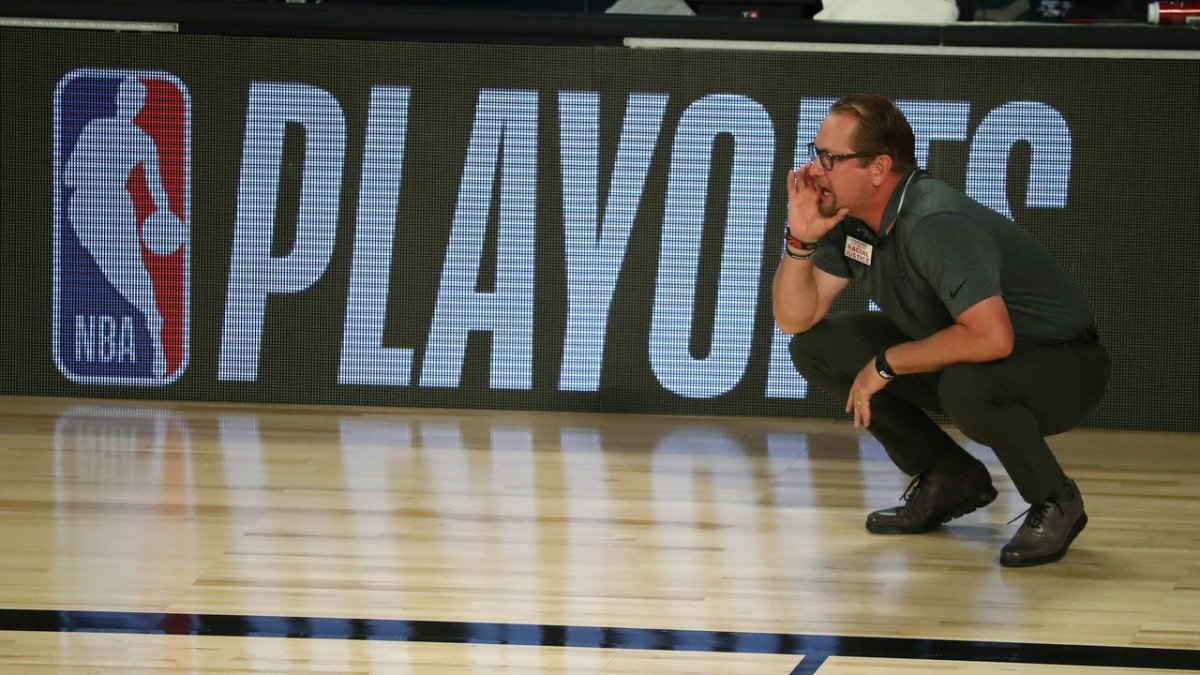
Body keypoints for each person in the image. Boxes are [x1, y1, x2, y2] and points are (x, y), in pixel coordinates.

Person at [772, 93, 1110, 567]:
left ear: (878, 167)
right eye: (816, 152)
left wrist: (886, 364)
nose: (816, 169)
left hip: (1061, 363)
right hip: (976, 351)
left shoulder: (933, 221)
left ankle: (1056, 500)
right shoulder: (851, 224)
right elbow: (794, 318)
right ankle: (950, 477)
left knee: (968, 384)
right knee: (816, 347)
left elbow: (992, 338)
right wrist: (800, 239)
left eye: (831, 157)